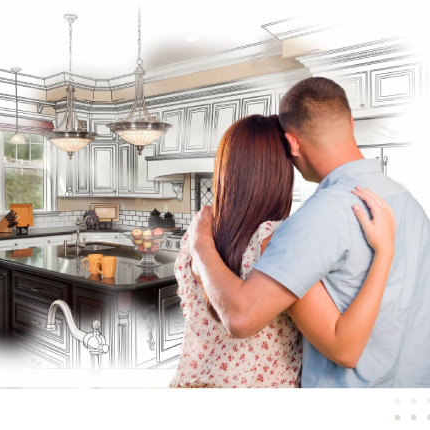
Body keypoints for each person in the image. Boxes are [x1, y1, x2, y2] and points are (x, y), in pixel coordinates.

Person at [185, 77, 430, 389]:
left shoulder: (317, 218)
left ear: (292, 143)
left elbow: (241, 318)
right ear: (350, 121)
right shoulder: (408, 204)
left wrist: (200, 243)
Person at [169, 114, 397, 389]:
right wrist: (384, 251)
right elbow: (344, 348)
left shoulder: (196, 235)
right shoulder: (276, 241)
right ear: (281, 172)